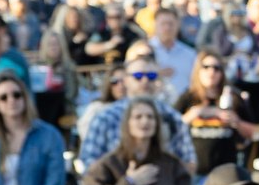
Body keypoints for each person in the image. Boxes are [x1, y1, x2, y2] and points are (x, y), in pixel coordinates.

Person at [80, 42, 195, 173]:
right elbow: (89, 162)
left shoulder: (173, 118)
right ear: (126, 80)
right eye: (138, 76)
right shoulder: (106, 117)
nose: (145, 81)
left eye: (151, 76)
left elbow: (188, 163)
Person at [175, 52, 257, 181]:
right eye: (206, 67)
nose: (211, 72)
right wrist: (193, 115)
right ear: (198, 70)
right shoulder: (188, 97)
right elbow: (171, 128)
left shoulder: (233, 97)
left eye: (216, 68)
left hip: (225, 171)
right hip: (194, 170)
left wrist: (236, 121)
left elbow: (252, 132)